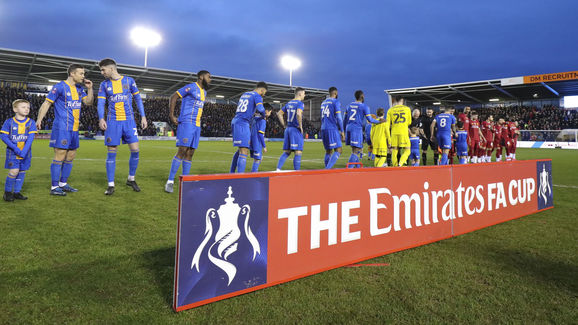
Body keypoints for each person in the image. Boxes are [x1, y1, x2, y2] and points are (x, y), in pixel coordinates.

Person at [36, 64, 94, 196]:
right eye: (81, 73)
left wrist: (90, 89)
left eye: (84, 73)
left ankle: (63, 183)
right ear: (72, 74)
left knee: (71, 156)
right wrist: (39, 120)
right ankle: (54, 186)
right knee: (60, 155)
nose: (83, 76)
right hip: (62, 127)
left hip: (74, 128)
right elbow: (47, 103)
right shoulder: (59, 87)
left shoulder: (79, 88)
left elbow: (89, 103)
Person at [97, 58, 147, 195]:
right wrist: (101, 118)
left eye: (103, 69)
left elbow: (138, 99)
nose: (102, 72)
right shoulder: (103, 84)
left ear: (111, 68)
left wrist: (143, 116)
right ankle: (111, 184)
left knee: (135, 150)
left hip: (129, 121)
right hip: (113, 122)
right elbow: (101, 103)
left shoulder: (129, 81)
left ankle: (131, 179)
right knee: (112, 151)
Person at [164, 70, 211, 193]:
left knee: (190, 153)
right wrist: (171, 115)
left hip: (197, 125)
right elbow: (173, 96)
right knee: (182, 150)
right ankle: (170, 181)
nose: (210, 79)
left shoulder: (204, 92)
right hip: (186, 123)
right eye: (208, 77)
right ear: (201, 77)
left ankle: (185, 181)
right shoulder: (191, 87)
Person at [2, 99, 37, 201]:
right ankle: (7, 193)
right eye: (23, 107)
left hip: (26, 153)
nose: (26, 109)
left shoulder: (31, 122)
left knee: (22, 171)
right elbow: (4, 137)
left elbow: (30, 139)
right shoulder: (9, 122)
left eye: (28, 108)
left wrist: (24, 151)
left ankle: (17, 192)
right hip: (12, 152)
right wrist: (16, 149)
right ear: (15, 109)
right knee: (14, 171)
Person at [230, 82, 268, 173]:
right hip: (243, 123)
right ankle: (240, 177)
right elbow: (261, 108)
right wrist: (264, 115)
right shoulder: (257, 96)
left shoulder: (245, 94)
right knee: (244, 151)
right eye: (264, 92)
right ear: (262, 89)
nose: (264, 94)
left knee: (240, 150)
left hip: (236, 120)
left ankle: (231, 173)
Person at [344, 90, 382, 168]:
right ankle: (348, 170)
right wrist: (379, 122)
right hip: (356, 129)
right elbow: (370, 120)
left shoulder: (349, 105)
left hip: (348, 128)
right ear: (362, 96)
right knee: (356, 150)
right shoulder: (364, 106)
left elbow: (344, 119)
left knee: (354, 149)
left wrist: (343, 131)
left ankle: (358, 167)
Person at [276, 87, 306, 171]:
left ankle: (278, 169)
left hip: (288, 129)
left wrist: (284, 125)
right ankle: (297, 173)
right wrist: (300, 126)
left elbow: (279, 114)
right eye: (304, 93)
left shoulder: (288, 103)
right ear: (300, 94)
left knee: (287, 152)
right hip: (295, 130)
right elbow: (299, 114)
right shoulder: (300, 103)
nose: (304, 95)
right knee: (298, 152)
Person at [320, 87, 344, 169]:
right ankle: (327, 169)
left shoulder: (323, 103)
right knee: (339, 150)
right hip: (332, 128)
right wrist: (342, 131)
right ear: (335, 93)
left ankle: (327, 169)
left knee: (328, 151)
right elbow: (339, 118)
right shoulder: (335, 102)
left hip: (323, 128)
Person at [385, 96, 412, 167]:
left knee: (394, 150)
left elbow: (387, 124)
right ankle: (401, 163)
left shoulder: (390, 110)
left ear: (395, 101)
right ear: (402, 100)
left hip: (394, 132)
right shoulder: (407, 109)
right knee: (407, 150)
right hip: (403, 132)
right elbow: (409, 122)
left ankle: (395, 166)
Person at [249, 103, 273, 172]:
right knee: (257, 160)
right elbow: (260, 134)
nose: (270, 113)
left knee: (259, 158)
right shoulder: (262, 121)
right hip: (257, 143)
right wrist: (264, 146)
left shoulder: (254, 118)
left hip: (251, 142)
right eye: (270, 112)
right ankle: (253, 176)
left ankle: (253, 173)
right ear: (266, 111)